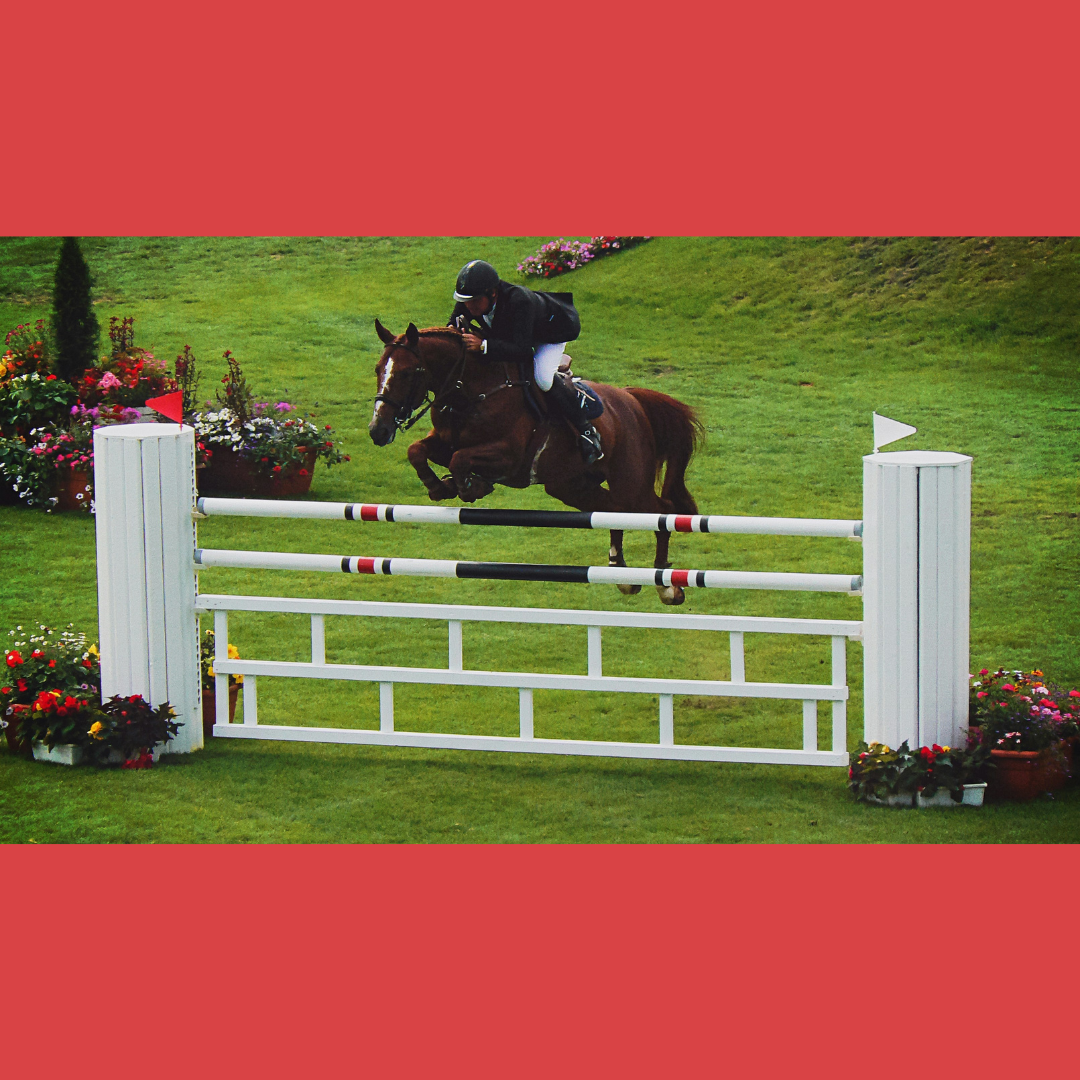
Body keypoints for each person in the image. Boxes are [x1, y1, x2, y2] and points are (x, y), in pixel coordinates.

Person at [447, 259, 604, 464]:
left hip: (550, 332)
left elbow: (522, 350)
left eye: (475, 301)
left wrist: (484, 345)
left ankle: (586, 431)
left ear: (492, 293)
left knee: (543, 379)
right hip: (517, 333)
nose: (469, 306)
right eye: (466, 301)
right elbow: (452, 325)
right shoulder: (470, 299)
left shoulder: (520, 301)